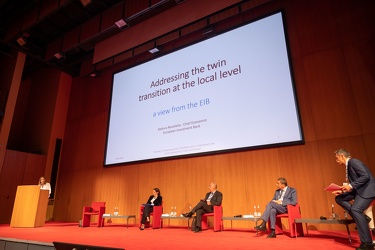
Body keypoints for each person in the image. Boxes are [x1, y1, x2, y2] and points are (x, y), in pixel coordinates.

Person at [332, 149, 375, 250]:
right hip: (359, 190)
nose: (336, 160)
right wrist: (342, 191)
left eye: (337, 158)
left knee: (356, 210)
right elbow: (357, 183)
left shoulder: (353, 162)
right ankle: (362, 218)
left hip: (367, 190)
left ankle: (367, 244)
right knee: (339, 198)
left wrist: (350, 185)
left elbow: (365, 176)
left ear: (342, 156)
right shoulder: (349, 165)